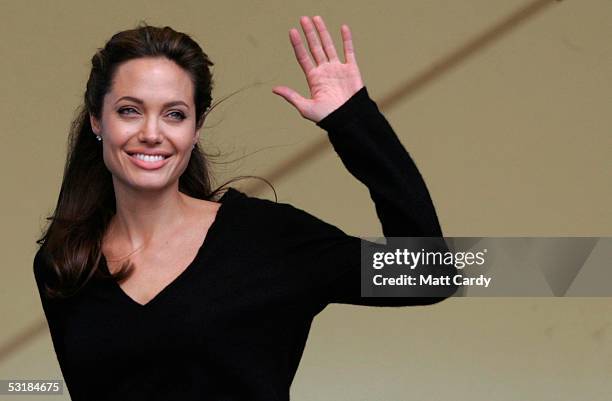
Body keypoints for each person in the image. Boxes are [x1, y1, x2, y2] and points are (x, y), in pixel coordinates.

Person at [33, 16, 458, 401]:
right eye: (129, 111)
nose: (151, 133)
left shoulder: (267, 239)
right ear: (96, 120)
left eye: (174, 115)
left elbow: (428, 274)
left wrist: (353, 122)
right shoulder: (67, 261)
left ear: (196, 128)